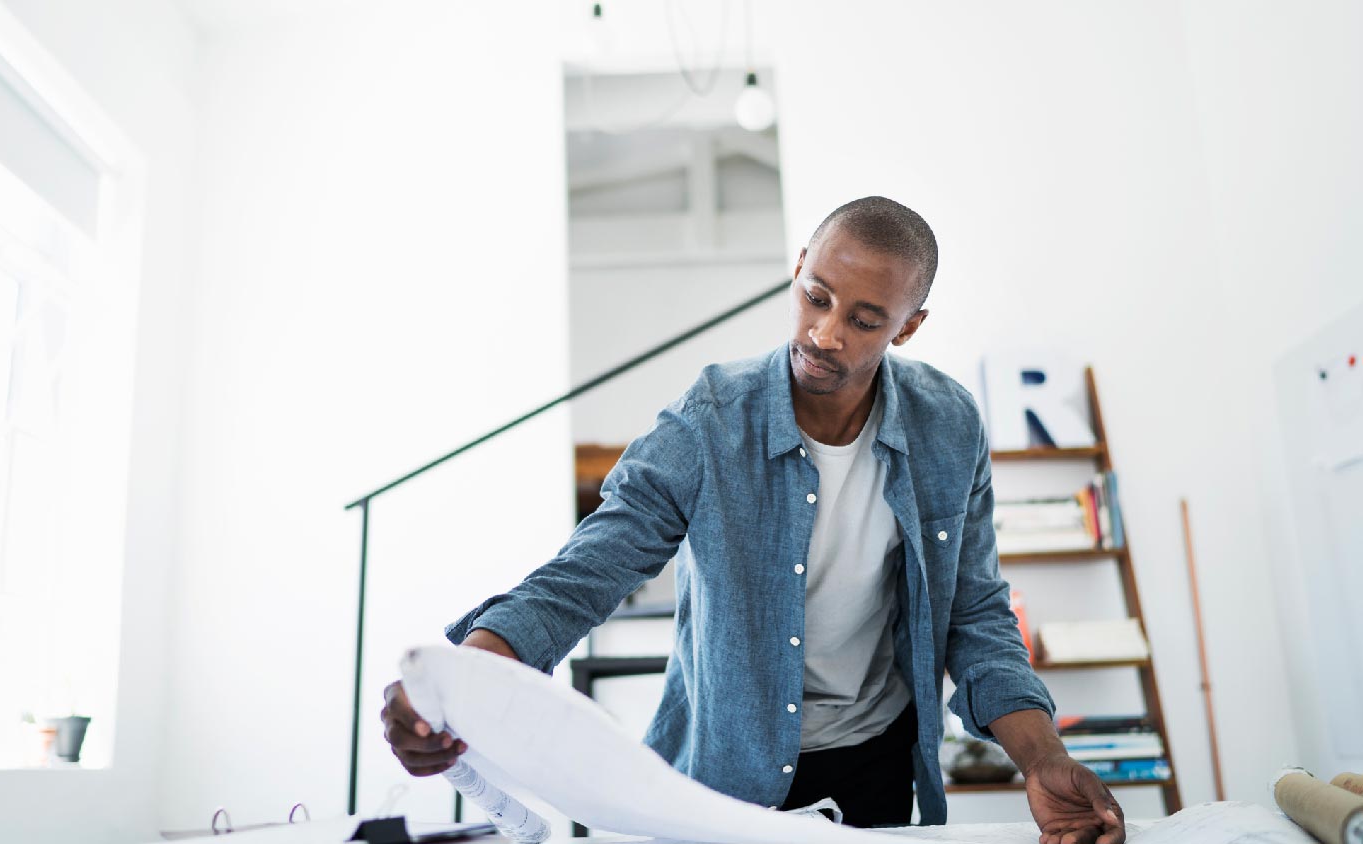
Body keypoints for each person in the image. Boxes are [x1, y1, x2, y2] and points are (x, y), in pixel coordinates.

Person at [381, 197, 1126, 843]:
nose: (826, 334)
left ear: (908, 327)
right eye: (816, 296)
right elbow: (586, 572)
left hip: (879, 762)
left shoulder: (949, 425)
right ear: (800, 266)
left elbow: (974, 611)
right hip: (724, 772)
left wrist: (1042, 757)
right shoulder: (709, 421)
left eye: (866, 320)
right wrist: (459, 686)